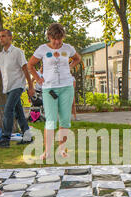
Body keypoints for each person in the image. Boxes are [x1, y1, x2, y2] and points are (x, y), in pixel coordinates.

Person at [27, 23, 82, 159]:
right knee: (50, 120)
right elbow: (30, 65)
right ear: (49, 37)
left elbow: (78, 58)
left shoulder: (68, 48)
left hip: (66, 87)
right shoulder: (42, 49)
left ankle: (62, 150)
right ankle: (47, 151)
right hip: (49, 88)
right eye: (54, 39)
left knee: (64, 120)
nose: (57, 42)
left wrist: (70, 67)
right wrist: (38, 78)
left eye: (60, 39)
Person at [0, 29, 34, 148]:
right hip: (8, 87)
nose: (1, 38)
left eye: (4, 36)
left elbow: (25, 69)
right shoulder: (1, 55)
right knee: (19, 113)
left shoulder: (17, 52)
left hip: (17, 85)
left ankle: (5, 139)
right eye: (0, 36)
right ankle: (27, 137)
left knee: (8, 111)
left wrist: (30, 86)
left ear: (10, 38)